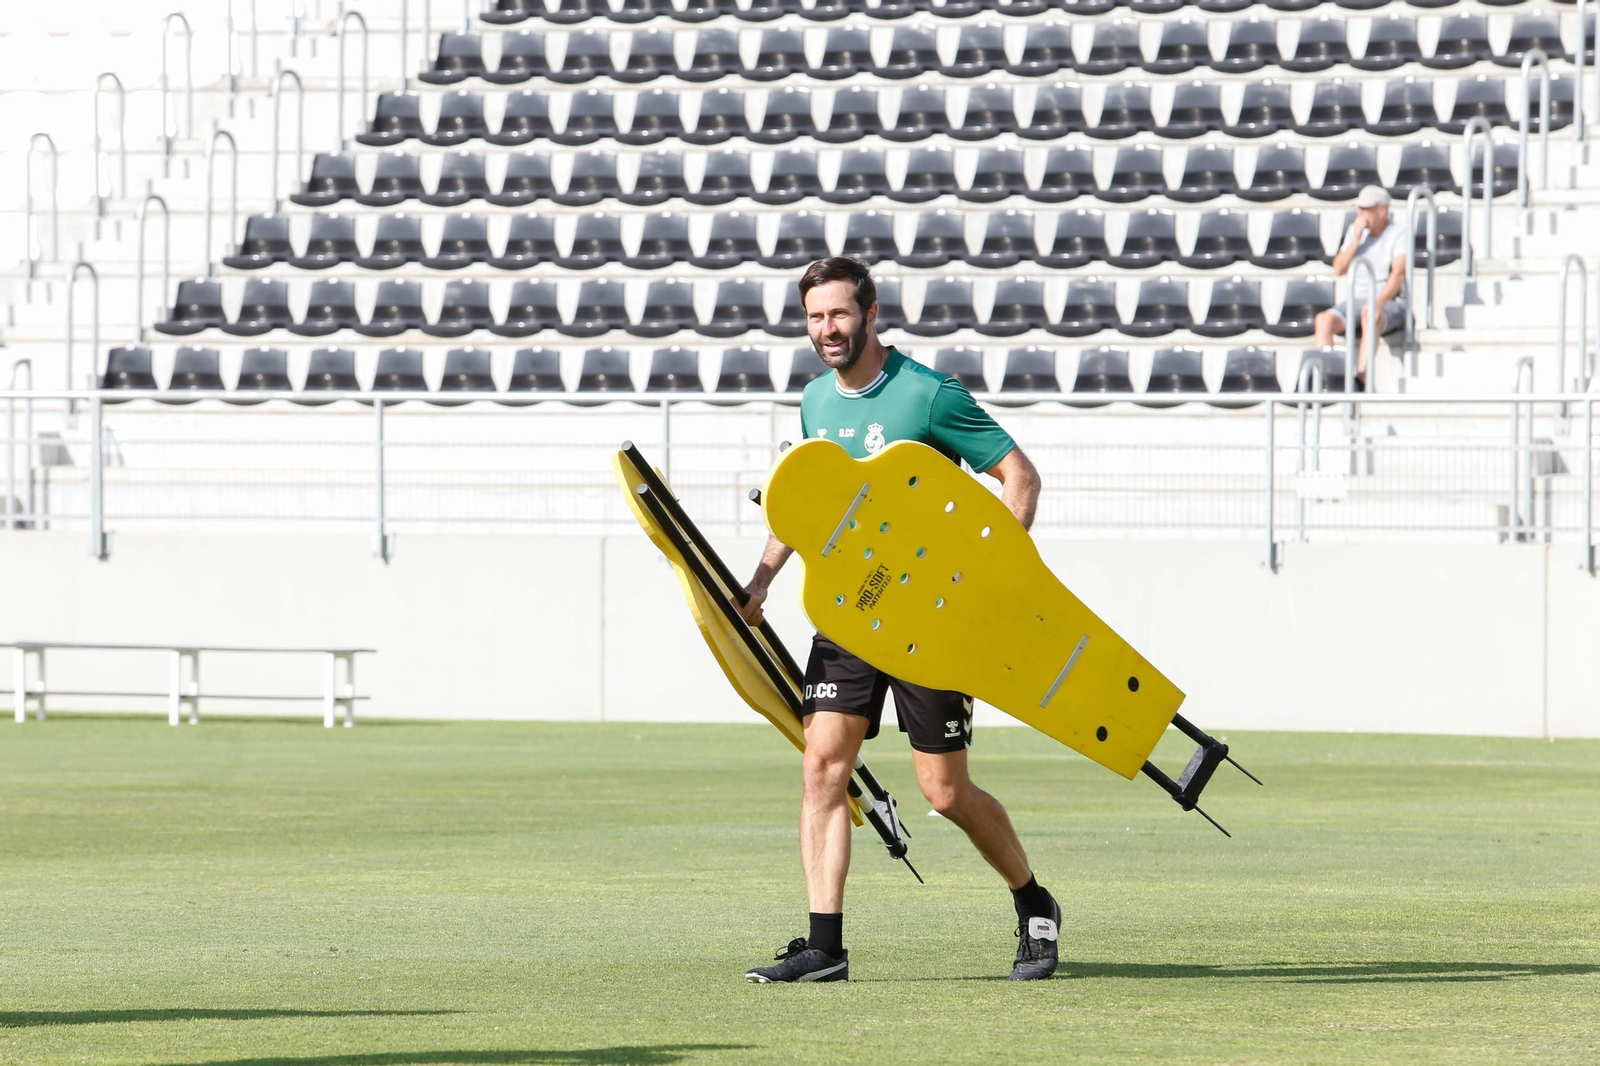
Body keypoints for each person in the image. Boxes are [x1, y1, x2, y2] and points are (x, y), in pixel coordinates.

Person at [737, 256, 1059, 984]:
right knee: (822, 768)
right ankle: (826, 948)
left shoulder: (928, 396)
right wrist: (759, 582)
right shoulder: (816, 403)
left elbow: (1020, 476)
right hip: (850, 617)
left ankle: (1035, 904)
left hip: (932, 626)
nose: (827, 329)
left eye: (839, 314)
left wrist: (986, 580)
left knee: (945, 794)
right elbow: (804, 507)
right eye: (815, 317)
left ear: (871, 313)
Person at [1314, 185, 1411, 389]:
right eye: (1360, 209)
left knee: (1370, 314)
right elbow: (1338, 268)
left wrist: (1378, 303)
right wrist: (1356, 240)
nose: (1360, 214)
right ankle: (1328, 378)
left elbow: (1398, 274)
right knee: (1323, 320)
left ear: (1381, 210)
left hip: (1388, 301)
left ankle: (1361, 378)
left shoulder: (1398, 234)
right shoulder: (1355, 232)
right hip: (1355, 302)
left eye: (1366, 209)